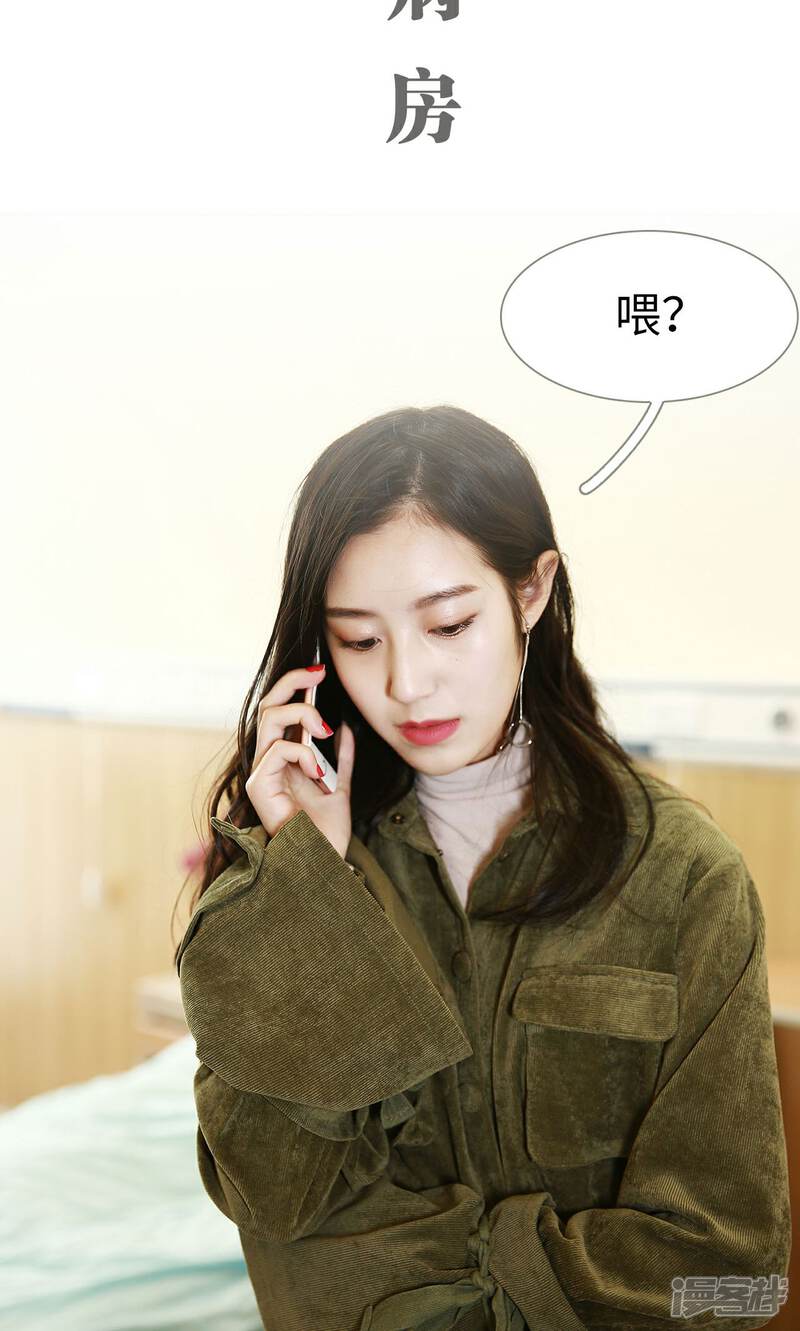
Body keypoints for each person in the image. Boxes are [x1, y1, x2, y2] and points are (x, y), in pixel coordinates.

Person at [174, 405, 791, 1331]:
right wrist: (311, 884)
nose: (407, 683)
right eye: (360, 639)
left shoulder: (684, 877)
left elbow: (734, 1276)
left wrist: (472, 1281)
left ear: (531, 591)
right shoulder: (289, 882)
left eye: (449, 624)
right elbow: (274, 1203)